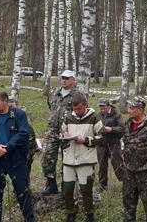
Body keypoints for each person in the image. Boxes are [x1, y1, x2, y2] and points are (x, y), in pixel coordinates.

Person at [0, 90, 34, 222]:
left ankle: (29, 219)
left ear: (5, 102)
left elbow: (23, 133)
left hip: (16, 160)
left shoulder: (18, 115)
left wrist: (7, 147)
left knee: (22, 192)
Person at [61, 93, 104, 222]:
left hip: (86, 160)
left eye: (79, 109)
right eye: (74, 109)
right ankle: (71, 212)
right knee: (68, 189)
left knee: (86, 190)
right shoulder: (68, 118)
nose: (77, 111)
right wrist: (65, 135)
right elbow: (62, 133)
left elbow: (101, 138)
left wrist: (85, 140)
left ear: (85, 105)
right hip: (69, 160)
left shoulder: (95, 118)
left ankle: (89, 214)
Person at [41, 69, 78, 195]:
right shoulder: (53, 92)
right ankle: (51, 185)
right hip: (52, 131)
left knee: (67, 160)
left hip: (68, 133)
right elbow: (51, 107)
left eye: (67, 78)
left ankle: (65, 187)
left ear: (73, 80)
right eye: (62, 78)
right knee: (46, 157)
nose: (64, 80)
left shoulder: (77, 95)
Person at [96, 98, 125, 189]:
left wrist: (111, 129)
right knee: (102, 166)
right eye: (101, 109)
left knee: (118, 165)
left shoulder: (116, 114)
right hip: (101, 143)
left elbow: (122, 128)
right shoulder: (98, 116)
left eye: (104, 108)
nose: (103, 110)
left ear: (109, 106)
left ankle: (126, 183)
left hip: (114, 143)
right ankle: (103, 185)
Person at [8, 98, 39, 182]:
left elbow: (30, 135)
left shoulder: (23, 116)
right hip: (14, 149)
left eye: (12, 106)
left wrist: (28, 152)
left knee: (25, 172)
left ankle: (25, 192)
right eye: (9, 107)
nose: (11, 109)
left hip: (27, 147)